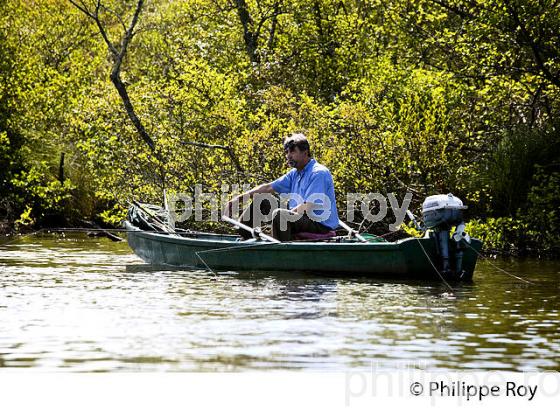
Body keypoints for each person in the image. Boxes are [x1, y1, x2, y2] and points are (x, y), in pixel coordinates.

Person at [223, 133, 339, 241]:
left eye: (292, 151)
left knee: (280, 214)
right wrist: (237, 199)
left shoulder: (318, 173)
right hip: (301, 218)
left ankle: (280, 250)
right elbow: (268, 188)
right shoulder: (295, 173)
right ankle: (246, 238)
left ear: (305, 152)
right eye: (287, 152)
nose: (288, 156)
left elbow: (308, 206)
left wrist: (286, 215)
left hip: (319, 225)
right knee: (262, 199)